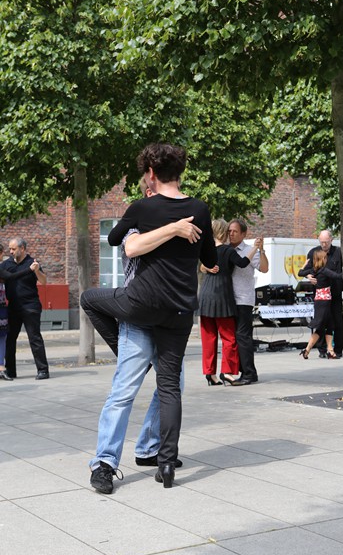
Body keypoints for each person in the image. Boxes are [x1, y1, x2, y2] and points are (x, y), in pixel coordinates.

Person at [81, 143, 217, 488]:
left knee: (126, 392)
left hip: (142, 309)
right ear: (180, 171)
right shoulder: (199, 210)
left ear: (151, 174)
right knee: (168, 389)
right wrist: (175, 229)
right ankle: (160, 463)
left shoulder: (142, 207)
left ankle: (120, 460)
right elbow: (209, 259)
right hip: (177, 312)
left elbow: (116, 239)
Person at [89, 177, 191, 494]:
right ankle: (104, 463)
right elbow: (132, 246)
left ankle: (149, 447)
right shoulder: (136, 224)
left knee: (173, 388)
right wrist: (174, 228)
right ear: (149, 194)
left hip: (169, 320)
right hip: (138, 321)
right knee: (123, 392)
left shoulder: (175, 224)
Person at [198, 219, 261, 386]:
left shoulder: (206, 249)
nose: (230, 234)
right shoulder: (227, 251)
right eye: (228, 231)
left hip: (205, 297)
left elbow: (201, 266)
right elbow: (243, 263)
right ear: (223, 232)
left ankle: (210, 374)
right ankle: (227, 372)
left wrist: (205, 267)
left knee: (208, 338)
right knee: (229, 338)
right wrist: (255, 248)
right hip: (222, 297)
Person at [227, 219, 269, 385]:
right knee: (233, 338)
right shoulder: (225, 248)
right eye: (229, 231)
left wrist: (261, 250)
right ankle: (241, 371)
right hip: (227, 299)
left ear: (243, 234)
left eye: (235, 231)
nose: (231, 234)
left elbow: (264, 268)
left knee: (243, 336)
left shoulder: (249, 250)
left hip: (243, 299)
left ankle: (249, 373)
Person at [2, 238, 50, 380]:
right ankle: (10, 371)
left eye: (13, 249)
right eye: (10, 249)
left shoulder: (32, 263)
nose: (11, 251)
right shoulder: (6, 264)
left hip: (31, 306)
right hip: (13, 307)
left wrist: (37, 271)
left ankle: (43, 370)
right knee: (10, 339)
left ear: (22, 248)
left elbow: (44, 282)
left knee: (34, 338)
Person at [299, 230, 343, 358]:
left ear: (331, 240)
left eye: (326, 242)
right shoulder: (314, 252)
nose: (324, 245)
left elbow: (340, 272)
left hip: (335, 294)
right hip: (321, 297)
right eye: (321, 242)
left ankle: (336, 350)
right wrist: (308, 276)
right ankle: (322, 349)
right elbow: (306, 270)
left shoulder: (338, 252)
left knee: (337, 323)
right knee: (321, 323)